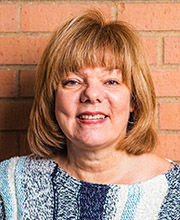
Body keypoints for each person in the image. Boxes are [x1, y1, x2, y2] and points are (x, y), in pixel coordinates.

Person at [0, 10, 179, 219]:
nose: (92, 94)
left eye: (111, 81)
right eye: (73, 81)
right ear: (52, 98)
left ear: (134, 99)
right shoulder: (11, 185)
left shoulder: (174, 193)